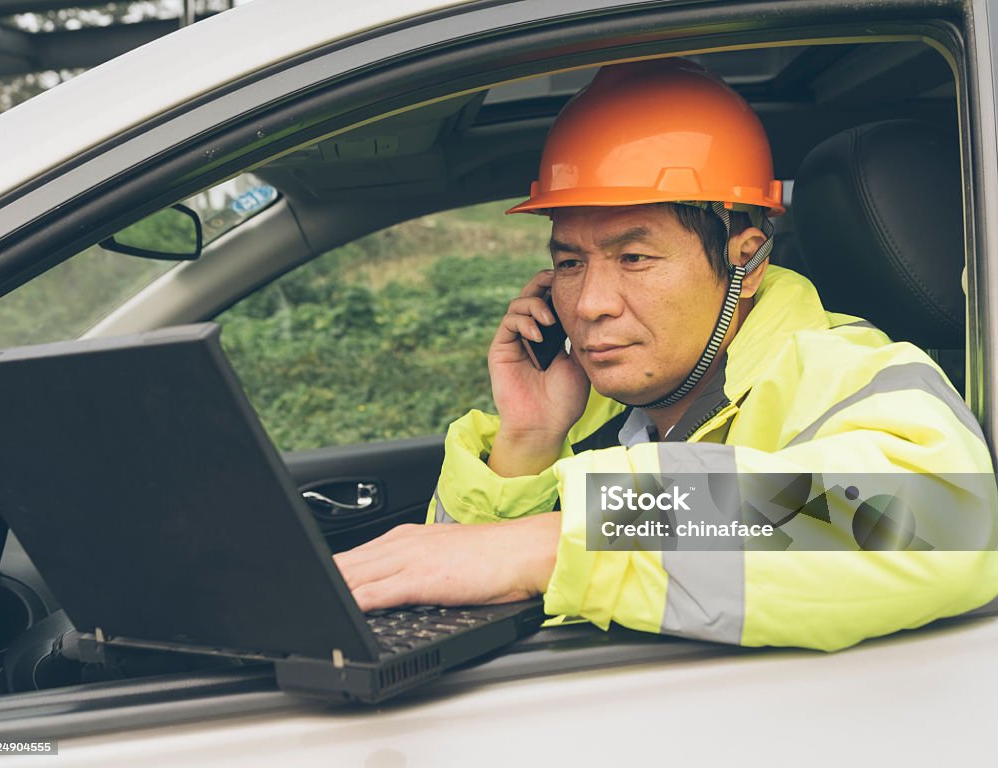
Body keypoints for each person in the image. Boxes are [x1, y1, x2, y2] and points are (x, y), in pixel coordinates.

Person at [334, 58, 998, 651]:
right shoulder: (588, 408)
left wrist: (561, 541)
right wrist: (527, 442)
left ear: (747, 260)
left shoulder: (845, 370)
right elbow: (456, 586)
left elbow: (945, 521)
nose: (590, 302)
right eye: (569, 262)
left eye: (635, 258)